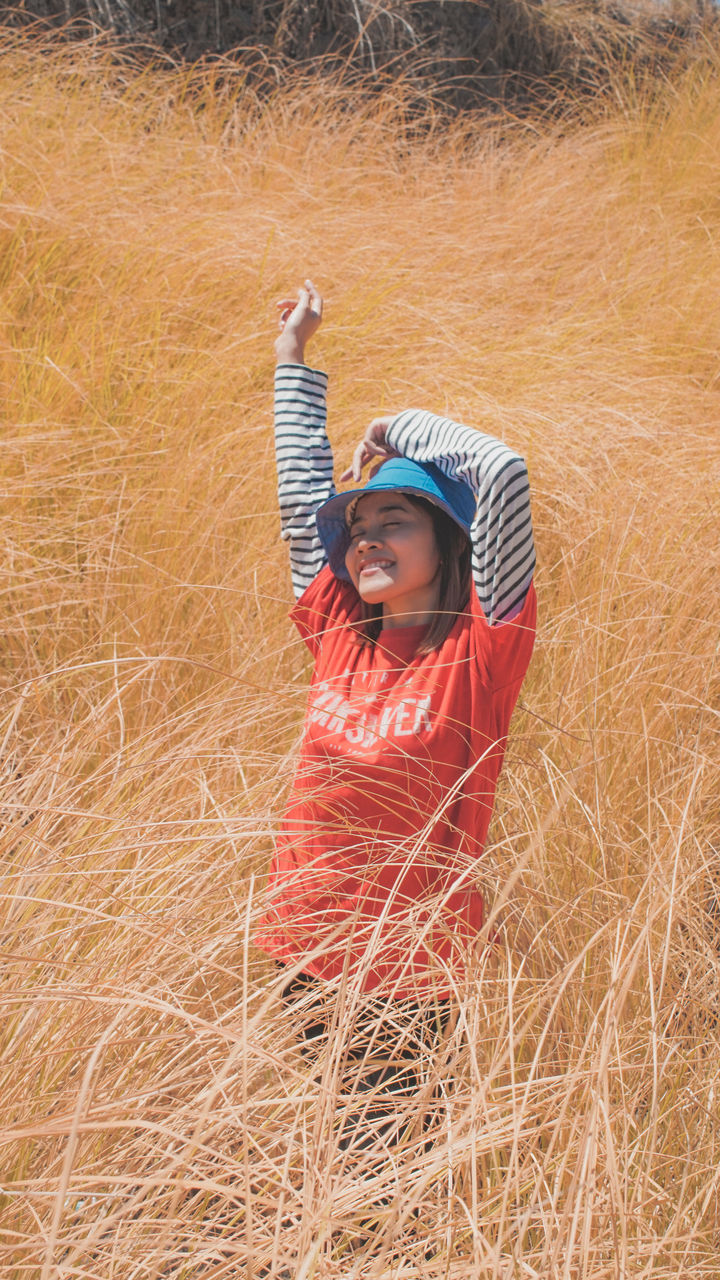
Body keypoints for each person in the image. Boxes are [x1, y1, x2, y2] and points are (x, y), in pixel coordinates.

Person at [255, 279, 536, 1175]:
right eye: (360, 527)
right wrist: (292, 362)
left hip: (407, 975)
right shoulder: (338, 631)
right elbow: (305, 497)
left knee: (387, 1196)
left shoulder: (483, 650)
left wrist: (397, 431)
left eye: (395, 521)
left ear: (449, 543)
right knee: (319, 1167)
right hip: (301, 948)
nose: (366, 540)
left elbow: (501, 474)